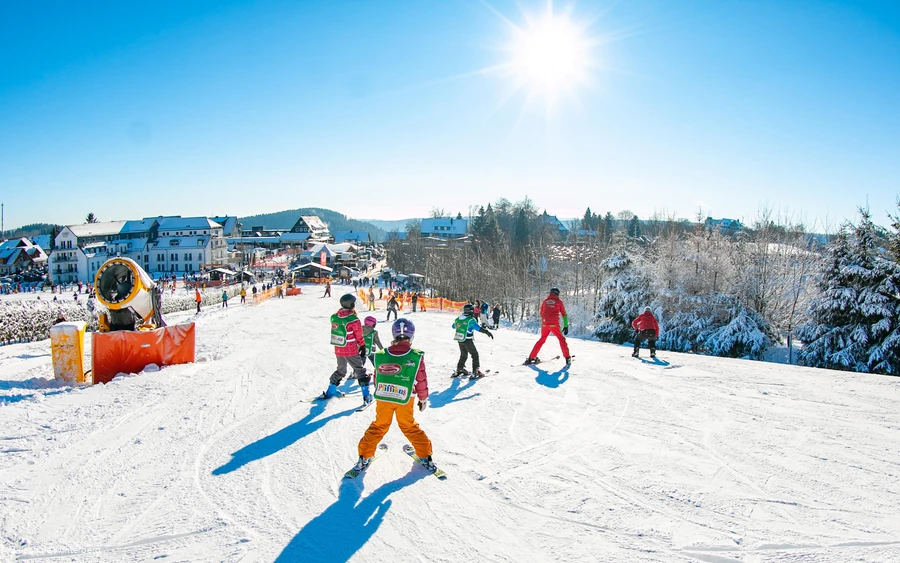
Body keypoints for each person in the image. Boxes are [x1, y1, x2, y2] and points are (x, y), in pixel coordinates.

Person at [352, 318, 437, 473]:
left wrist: (382, 390)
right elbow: (421, 379)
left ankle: (364, 455)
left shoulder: (381, 354)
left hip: (384, 397)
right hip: (405, 399)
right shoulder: (415, 356)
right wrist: (423, 398)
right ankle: (425, 456)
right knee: (408, 426)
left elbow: (378, 377)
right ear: (411, 335)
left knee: (379, 425)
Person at [319, 293, 372, 403]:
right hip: (351, 349)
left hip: (339, 348)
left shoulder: (334, 317)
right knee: (360, 370)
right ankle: (366, 396)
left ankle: (330, 391)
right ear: (351, 304)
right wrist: (362, 345)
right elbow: (359, 335)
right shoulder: (353, 319)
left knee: (341, 370)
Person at [524, 287, 571, 366]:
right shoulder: (559, 302)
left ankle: (531, 357)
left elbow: (541, 312)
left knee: (542, 340)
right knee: (561, 339)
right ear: (557, 293)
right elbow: (564, 314)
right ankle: (567, 357)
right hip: (554, 324)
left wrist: (545, 321)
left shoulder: (545, 301)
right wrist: (566, 326)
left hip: (545, 324)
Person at [452, 303, 493, 378]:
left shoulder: (458, 319)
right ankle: (475, 371)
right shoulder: (470, 320)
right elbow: (478, 328)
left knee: (463, 355)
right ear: (470, 311)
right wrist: (487, 332)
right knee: (475, 355)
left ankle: (459, 369)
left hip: (460, 339)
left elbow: (453, 326)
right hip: (467, 340)